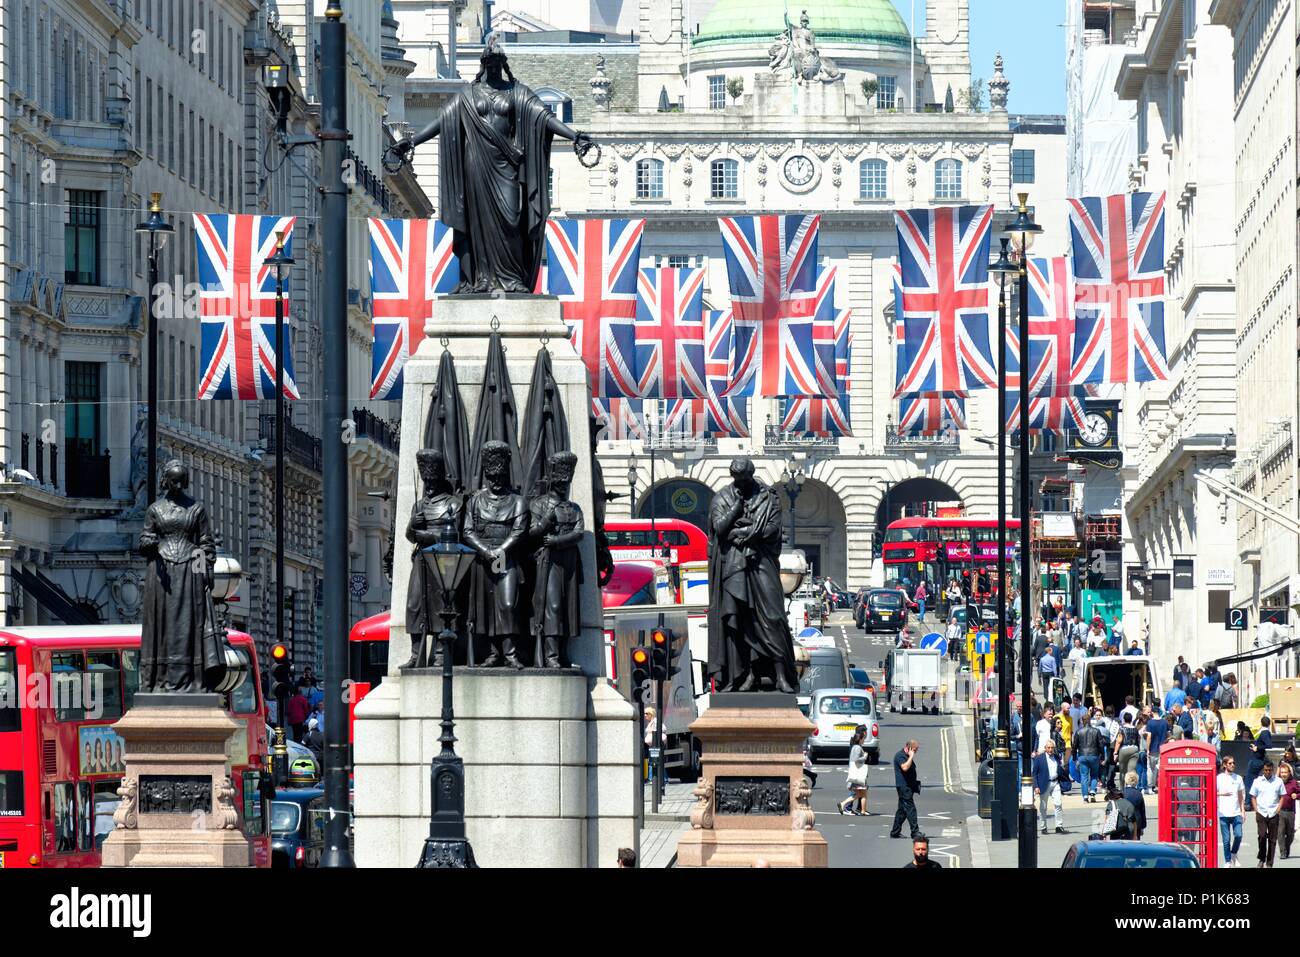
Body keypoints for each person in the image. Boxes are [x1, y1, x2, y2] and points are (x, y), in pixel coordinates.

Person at [1251, 761, 1285, 867]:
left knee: (1272, 839)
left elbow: (1282, 796)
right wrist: (1256, 809)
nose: (1268, 772)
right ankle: (1261, 858)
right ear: (1263, 770)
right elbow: (1253, 796)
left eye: (1270, 770)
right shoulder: (1257, 781)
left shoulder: (1278, 781)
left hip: (1273, 813)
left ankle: (1270, 863)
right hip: (1261, 812)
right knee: (1261, 836)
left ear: (1273, 770)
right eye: (1266, 770)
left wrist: (1278, 809)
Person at [1032, 738, 1068, 834]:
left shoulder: (1056, 757)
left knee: (1058, 804)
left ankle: (1059, 826)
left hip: (1055, 782)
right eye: (1048, 747)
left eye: (1052, 747)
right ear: (1045, 748)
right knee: (1043, 807)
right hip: (1044, 783)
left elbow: (1060, 769)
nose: (1050, 749)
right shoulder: (1039, 758)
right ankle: (1043, 827)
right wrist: (1036, 786)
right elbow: (1034, 773)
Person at [889, 739, 921, 840]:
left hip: (908, 787)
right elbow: (905, 768)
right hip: (904, 787)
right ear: (909, 747)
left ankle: (895, 832)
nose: (916, 752)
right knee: (911, 809)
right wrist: (911, 756)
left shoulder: (906, 756)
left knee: (902, 811)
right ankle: (915, 832)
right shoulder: (900, 756)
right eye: (915, 750)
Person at [1217, 756, 1246, 867]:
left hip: (1236, 812)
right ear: (1224, 765)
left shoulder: (1238, 778)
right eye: (1230, 763)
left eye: (1234, 763)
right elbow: (1211, 792)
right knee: (1226, 840)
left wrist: (1242, 811)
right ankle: (1228, 861)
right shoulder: (1219, 778)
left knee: (1238, 835)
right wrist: (1222, 794)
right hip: (1223, 813)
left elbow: (1240, 795)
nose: (1233, 765)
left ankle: (1234, 853)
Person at [1074, 712, 1105, 801]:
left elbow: (1074, 745)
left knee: (1084, 776)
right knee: (1094, 775)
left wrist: (1073, 756)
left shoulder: (1079, 732)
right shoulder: (1096, 731)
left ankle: (1085, 795)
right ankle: (1092, 790)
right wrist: (1102, 755)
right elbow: (1100, 745)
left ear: (1082, 722)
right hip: (1094, 755)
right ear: (1090, 721)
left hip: (1082, 755)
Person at [1245, 716, 1273, 811]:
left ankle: (1248, 803)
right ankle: (1251, 802)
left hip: (1256, 759)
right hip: (1258, 759)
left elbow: (1269, 745)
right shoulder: (1266, 732)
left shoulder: (1264, 733)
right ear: (1269, 723)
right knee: (1253, 781)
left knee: (1249, 781)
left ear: (1261, 723)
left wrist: (1257, 748)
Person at [1145, 708, 1169, 791]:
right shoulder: (1165, 722)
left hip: (1152, 749)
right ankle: (1159, 786)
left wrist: (1147, 749)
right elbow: (1168, 735)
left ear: (1152, 712)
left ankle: (1150, 787)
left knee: (1150, 769)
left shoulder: (1150, 723)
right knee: (1160, 769)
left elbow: (1149, 736)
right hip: (1163, 749)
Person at [1279, 762, 1299, 860]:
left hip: (1291, 811)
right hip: (1280, 811)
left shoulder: (1294, 783)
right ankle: (1283, 852)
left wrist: (1297, 796)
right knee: (1281, 832)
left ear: (1289, 773)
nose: (1283, 774)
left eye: (1285, 772)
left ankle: (1286, 849)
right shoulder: (1277, 782)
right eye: (1282, 772)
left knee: (1290, 834)